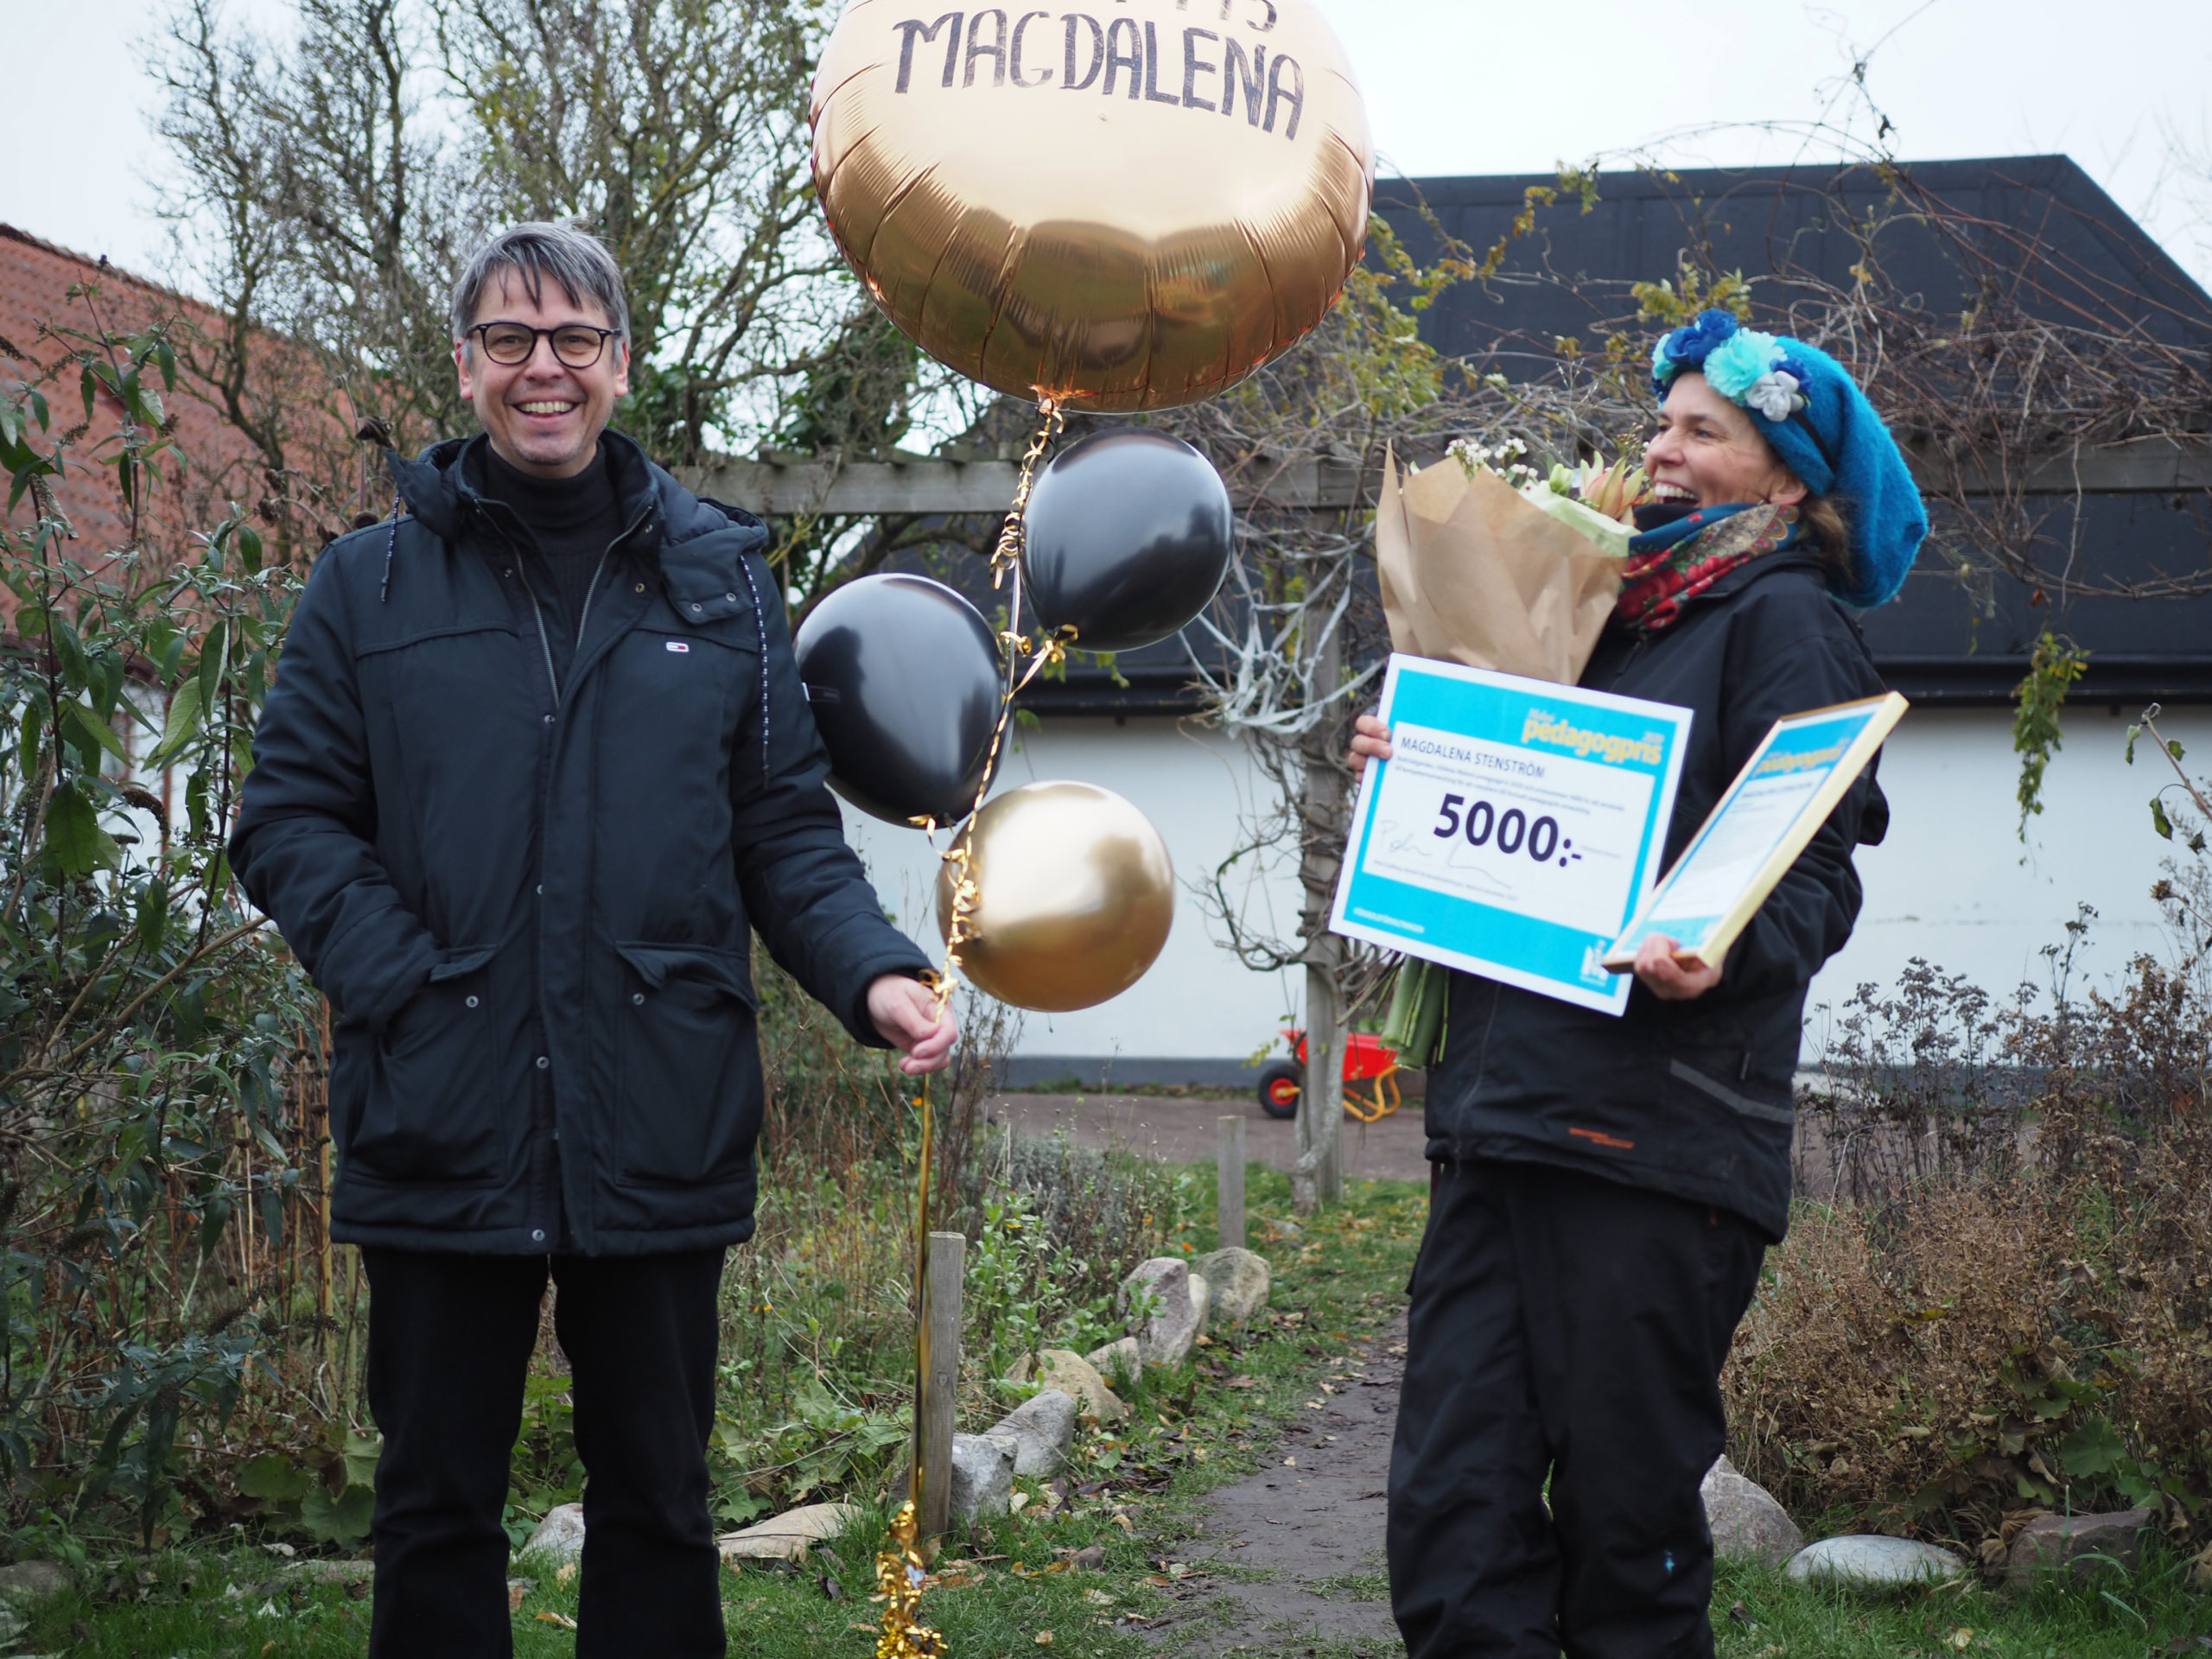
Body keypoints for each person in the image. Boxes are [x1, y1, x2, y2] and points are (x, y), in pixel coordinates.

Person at [230, 221, 957, 1659]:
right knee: (435, 1506)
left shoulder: (723, 583)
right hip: (442, 1110)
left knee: (659, 1500)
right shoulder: (366, 588)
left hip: (658, 1106)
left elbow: (782, 829)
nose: (541, 368)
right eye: (509, 340)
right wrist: (408, 991)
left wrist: (873, 967)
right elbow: (289, 823)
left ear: (622, 363)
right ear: (465, 366)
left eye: (573, 340)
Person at [1363, 311, 1928, 1659]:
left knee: (1628, 1543)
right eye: (1660, 424)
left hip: (1654, 1144)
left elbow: (1815, 872)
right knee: (1452, 1520)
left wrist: (1718, 945)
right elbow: (1521, 826)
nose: (1661, 452)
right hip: (1500, 1126)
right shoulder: (1598, 613)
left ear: (1790, 480)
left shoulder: (1782, 621)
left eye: (1703, 431)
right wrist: (1421, 767)